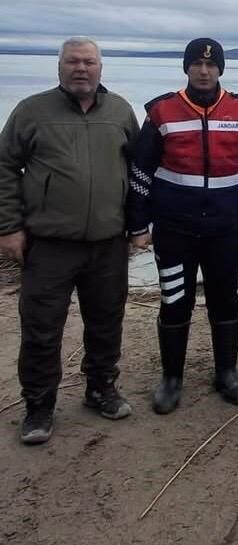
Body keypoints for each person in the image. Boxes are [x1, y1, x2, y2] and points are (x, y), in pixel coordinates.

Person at [0, 37, 140, 445]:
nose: (81, 69)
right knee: (41, 328)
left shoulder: (120, 111)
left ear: (101, 68)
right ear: (59, 66)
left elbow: (137, 171)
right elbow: (4, 166)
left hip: (108, 242)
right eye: (73, 62)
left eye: (89, 62)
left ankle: (101, 388)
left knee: (106, 321)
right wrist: (8, 227)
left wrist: (138, 225)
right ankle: (38, 406)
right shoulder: (32, 111)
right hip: (49, 243)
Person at [128, 38, 238, 413]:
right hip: (175, 228)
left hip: (225, 229)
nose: (204, 71)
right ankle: (171, 380)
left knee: (225, 300)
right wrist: (138, 225)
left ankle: (226, 374)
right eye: (196, 64)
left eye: (211, 65)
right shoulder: (161, 110)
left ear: (220, 68)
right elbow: (140, 171)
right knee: (175, 300)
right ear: (186, 67)